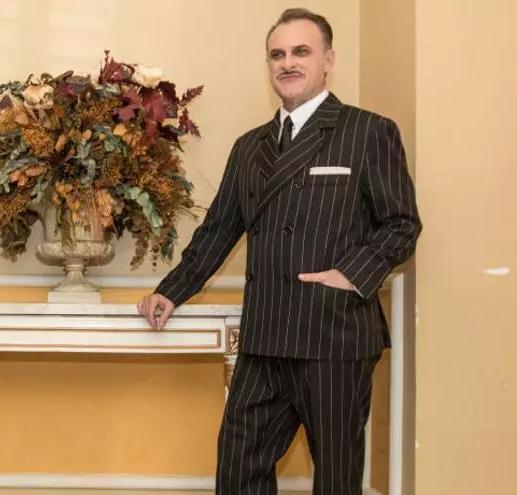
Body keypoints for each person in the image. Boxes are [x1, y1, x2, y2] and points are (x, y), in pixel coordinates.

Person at [137, 8, 421, 495]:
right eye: (277, 54)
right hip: (265, 336)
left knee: (336, 479)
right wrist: (171, 291)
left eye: (301, 52)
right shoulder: (250, 147)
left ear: (328, 60)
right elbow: (218, 230)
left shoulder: (368, 132)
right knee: (238, 468)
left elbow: (402, 224)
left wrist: (350, 275)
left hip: (335, 335)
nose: (288, 63)